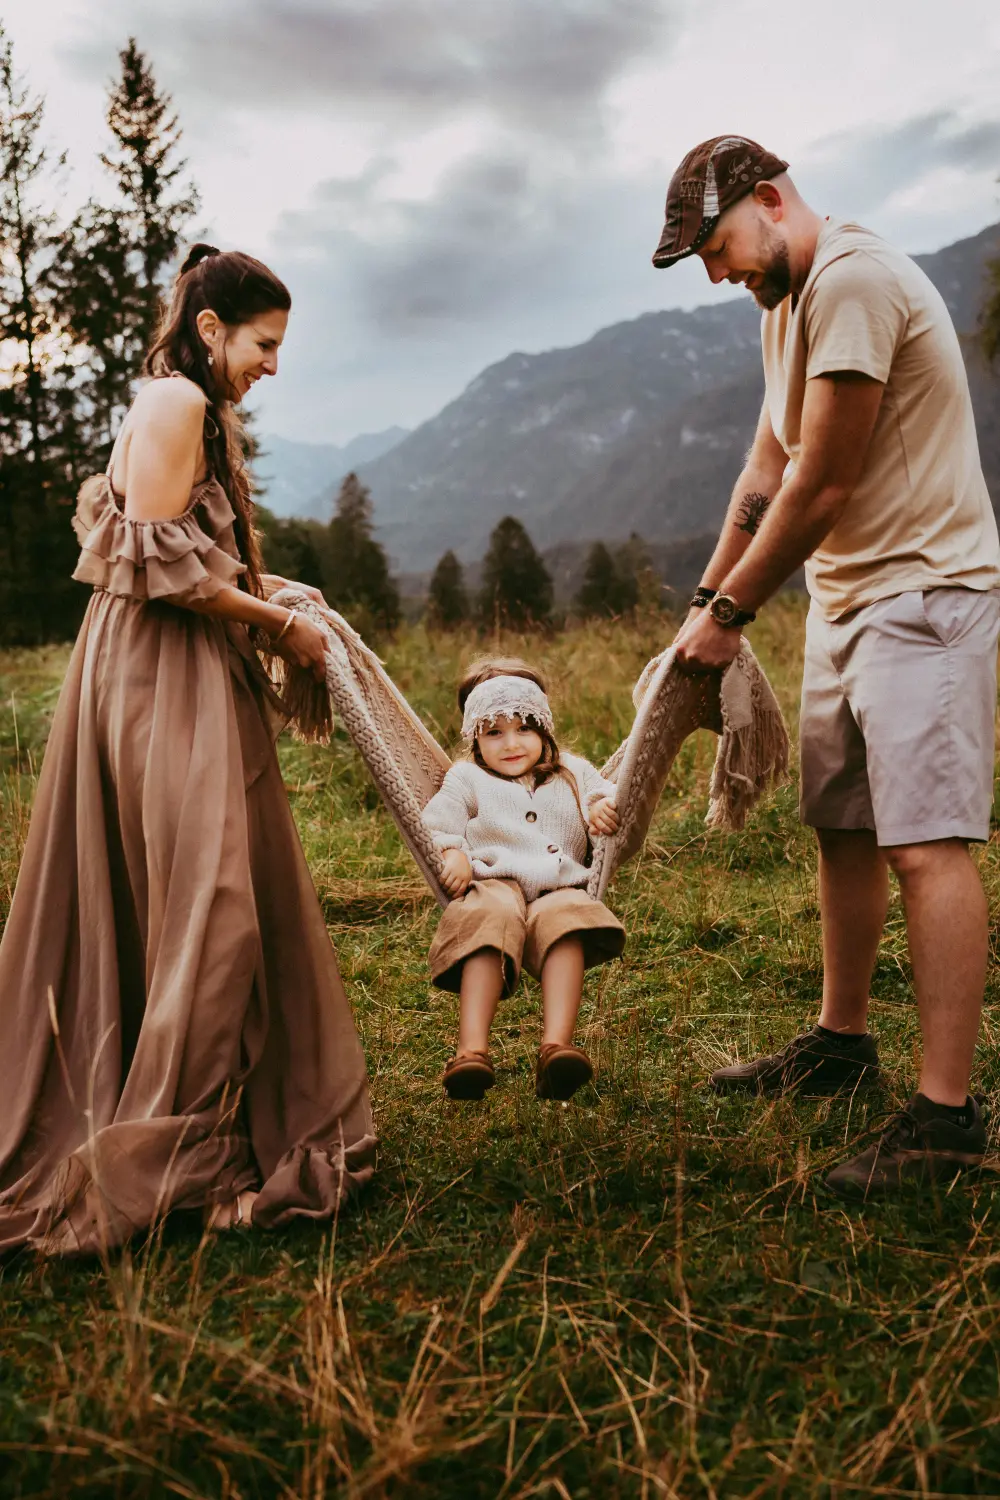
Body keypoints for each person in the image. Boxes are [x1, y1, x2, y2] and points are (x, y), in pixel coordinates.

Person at [0, 244, 375, 1253]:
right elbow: (164, 575)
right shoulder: (175, 405)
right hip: (159, 678)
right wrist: (276, 625)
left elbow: (187, 548)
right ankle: (179, 1166)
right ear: (211, 330)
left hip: (181, 672)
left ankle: (198, 1135)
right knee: (210, 910)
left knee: (198, 897)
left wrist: (275, 594)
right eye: (264, 343)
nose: (272, 365)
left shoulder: (183, 405)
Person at [651, 136, 1000, 1198]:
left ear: (768, 200)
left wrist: (734, 613)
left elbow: (826, 485)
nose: (718, 274)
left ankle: (947, 1118)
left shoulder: (850, 281)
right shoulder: (784, 310)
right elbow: (767, 469)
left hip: (925, 595)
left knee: (926, 846)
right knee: (841, 827)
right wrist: (702, 609)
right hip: (847, 600)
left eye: (716, 248)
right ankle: (841, 1045)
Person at [422, 659, 626, 1102]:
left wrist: (597, 812)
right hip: (493, 882)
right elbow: (438, 821)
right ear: (474, 734)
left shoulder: (572, 770)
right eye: (494, 732)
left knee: (568, 923)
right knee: (486, 919)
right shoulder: (466, 777)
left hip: (559, 885)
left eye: (524, 728)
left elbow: (606, 795)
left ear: (545, 729)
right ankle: (471, 1051)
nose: (511, 743)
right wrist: (453, 851)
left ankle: (557, 1048)